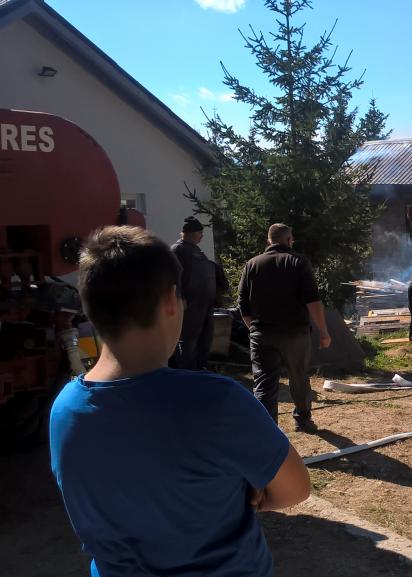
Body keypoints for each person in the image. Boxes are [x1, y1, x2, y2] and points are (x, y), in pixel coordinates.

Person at [50, 226, 310, 577]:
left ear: (88, 305)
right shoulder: (216, 400)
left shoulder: (64, 408)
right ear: (172, 301)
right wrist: (250, 492)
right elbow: (295, 489)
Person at [238, 223, 331, 432]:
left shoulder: (251, 265)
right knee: (298, 377)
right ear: (289, 240)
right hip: (294, 333)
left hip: (262, 333)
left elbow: (243, 306)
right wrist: (323, 332)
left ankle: (266, 429)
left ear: (269, 241)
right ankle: (302, 419)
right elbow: (313, 302)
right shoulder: (298, 262)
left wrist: (254, 329)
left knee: (263, 381)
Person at [169, 216, 216, 370]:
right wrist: (180, 298)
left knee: (204, 341)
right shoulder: (177, 250)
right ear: (191, 234)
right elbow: (172, 278)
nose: (202, 236)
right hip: (190, 308)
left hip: (204, 306)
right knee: (188, 343)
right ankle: (187, 374)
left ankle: (200, 370)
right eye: (200, 233)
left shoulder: (196, 250)